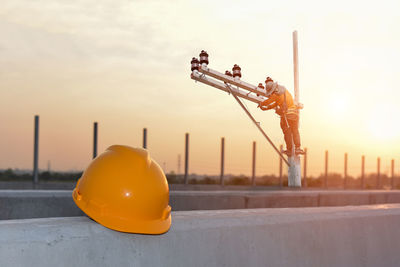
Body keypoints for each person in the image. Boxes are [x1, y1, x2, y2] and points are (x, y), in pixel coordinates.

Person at [258, 77, 304, 157]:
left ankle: (289, 150)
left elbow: (269, 101)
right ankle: (298, 148)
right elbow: (276, 104)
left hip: (287, 115)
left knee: (287, 131)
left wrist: (261, 104)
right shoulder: (284, 91)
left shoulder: (275, 95)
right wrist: (266, 108)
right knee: (295, 130)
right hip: (295, 114)